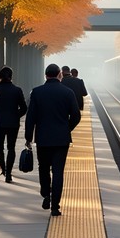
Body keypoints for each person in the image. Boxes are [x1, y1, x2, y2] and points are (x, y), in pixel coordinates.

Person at [25, 62, 81, 216]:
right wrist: (67, 128)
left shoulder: (36, 92)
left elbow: (31, 117)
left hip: (43, 138)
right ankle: (55, 206)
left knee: (43, 167)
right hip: (61, 139)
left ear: (45, 75)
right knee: (58, 171)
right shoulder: (68, 92)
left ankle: (45, 193)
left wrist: (28, 137)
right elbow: (76, 115)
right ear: (59, 75)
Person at [0, 65, 27, 183]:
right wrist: (16, 115)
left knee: (0, 148)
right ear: (11, 77)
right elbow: (24, 108)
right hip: (13, 123)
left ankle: (4, 170)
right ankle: (9, 174)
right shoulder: (17, 90)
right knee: (11, 148)